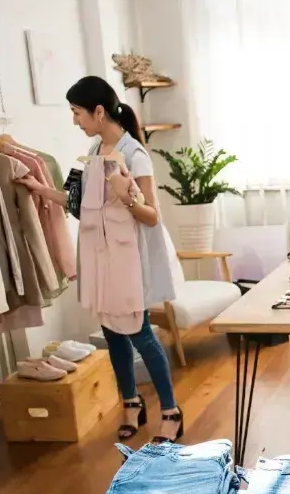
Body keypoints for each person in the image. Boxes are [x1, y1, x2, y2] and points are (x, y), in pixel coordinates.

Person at [17, 76, 183, 443]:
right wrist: (41, 189)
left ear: (98, 111)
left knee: (139, 333)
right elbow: (75, 202)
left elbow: (152, 215)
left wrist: (127, 198)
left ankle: (171, 410)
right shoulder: (93, 153)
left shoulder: (135, 155)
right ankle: (131, 403)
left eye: (77, 112)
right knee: (111, 332)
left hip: (127, 261)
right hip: (100, 259)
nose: (75, 120)